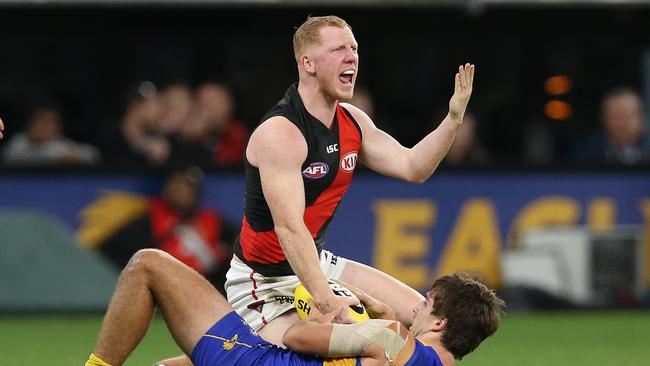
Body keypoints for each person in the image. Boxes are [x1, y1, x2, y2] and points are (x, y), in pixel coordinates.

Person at [161, 15, 475, 365]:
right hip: (264, 280)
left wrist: (453, 119)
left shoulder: (353, 121)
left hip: (316, 262)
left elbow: (413, 167)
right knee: (307, 351)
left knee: (424, 317)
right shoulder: (282, 132)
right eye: (338, 49)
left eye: (354, 49)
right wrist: (327, 301)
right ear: (307, 63)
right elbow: (289, 229)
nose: (351, 57)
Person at [84, 249, 505, 366]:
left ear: (442, 320)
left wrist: (321, 309)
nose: (416, 307)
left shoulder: (392, 340)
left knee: (148, 265)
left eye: (426, 304)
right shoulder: (400, 343)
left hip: (257, 361)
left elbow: (296, 337)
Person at [77, 166, 237, 294]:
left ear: (196, 193)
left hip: (206, 289)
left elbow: (240, 245)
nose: (179, 190)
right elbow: (115, 251)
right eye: (175, 184)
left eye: (186, 187)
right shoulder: (149, 218)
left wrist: (223, 257)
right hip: (160, 290)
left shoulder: (212, 220)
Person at [572, 87, 650, 165]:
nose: (621, 123)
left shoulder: (647, 152)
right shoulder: (584, 157)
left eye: (628, 116)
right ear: (602, 119)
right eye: (615, 116)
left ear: (642, 119)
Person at [2, 104, 101, 165]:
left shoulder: (60, 144)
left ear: (57, 128)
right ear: (29, 124)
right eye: (41, 122)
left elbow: (92, 154)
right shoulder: (18, 142)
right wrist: (55, 159)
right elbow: (10, 158)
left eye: (50, 123)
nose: (44, 127)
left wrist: (75, 157)